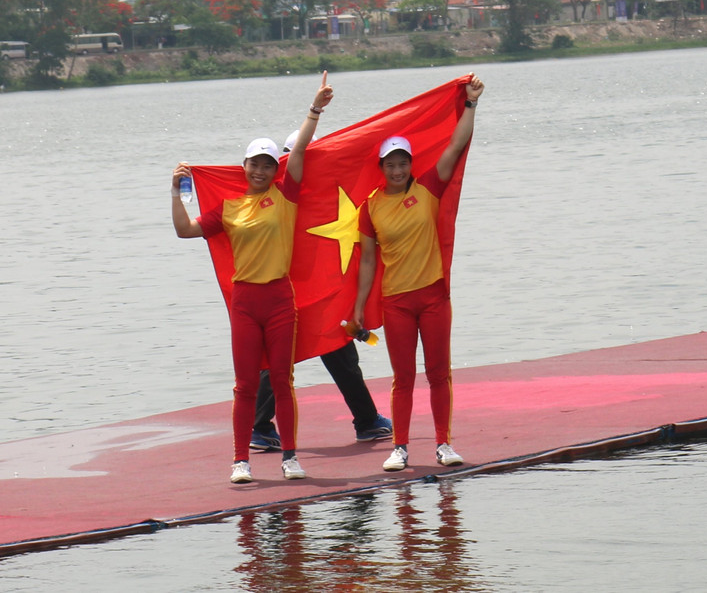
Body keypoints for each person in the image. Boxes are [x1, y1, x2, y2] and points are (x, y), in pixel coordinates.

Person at [171, 72, 334, 484]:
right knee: (245, 385)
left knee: (282, 380)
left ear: (274, 169)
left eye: (267, 165)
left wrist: (314, 110)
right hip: (245, 302)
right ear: (244, 167)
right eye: (254, 164)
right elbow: (185, 231)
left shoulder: (285, 196)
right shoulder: (228, 208)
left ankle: (290, 457)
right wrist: (176, 192)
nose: (260, 170)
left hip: (279, 299)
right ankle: (240, 461)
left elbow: (300, 149)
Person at [353, 73, 484, 472]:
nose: (397, 170)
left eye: (403, 163)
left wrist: (472, 103)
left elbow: (456, 144)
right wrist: (359, 307)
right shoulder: (370, 207)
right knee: (403, 377)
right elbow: (368, 261)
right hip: (396, 301)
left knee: (439, 373)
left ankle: (443, 444)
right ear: (381, 167)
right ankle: (400, 448)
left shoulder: (427, 188)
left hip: (433, 297)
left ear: (411, 164)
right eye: (390, 164)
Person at [250, 131, 392, 451]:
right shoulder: (278, 193)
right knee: (279, 357)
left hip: (321, 291)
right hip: (286, 289)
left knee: (336, 347)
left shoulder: (321, 191)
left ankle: (366, 420)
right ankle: (260, 427)